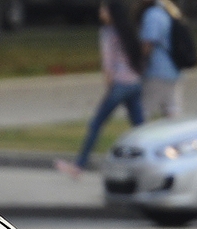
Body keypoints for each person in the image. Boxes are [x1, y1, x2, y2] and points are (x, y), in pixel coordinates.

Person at [55, 0, 144, 179]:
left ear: (110, 12)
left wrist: (110, 87)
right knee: (140, 128)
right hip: (135, 82)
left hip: (119, 84)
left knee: (96, 124)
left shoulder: (107, 32)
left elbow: (108, 63)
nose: (100, 12)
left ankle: (79, 165)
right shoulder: (128, 30)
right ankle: (149, 162)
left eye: (103, 9)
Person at [138, 0, 184, 119]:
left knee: (144, 110)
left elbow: (148, 43)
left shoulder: (152, 14)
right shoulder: (170, 12)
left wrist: (139, 63)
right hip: (174, 69)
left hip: (157, 71)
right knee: (172, 112)